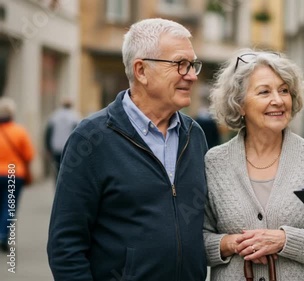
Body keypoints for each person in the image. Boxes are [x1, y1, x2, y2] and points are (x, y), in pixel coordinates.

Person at [47, 18, 208, 281]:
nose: (191, 75)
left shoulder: (194, 134)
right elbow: (65, 247)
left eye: (193, 65)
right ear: (141, 71)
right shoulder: (91, 139)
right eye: (181, 64)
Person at [203, 49, 304, 280]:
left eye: (284, 90)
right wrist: (229, 244)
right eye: (264, 92)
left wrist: (283, 240)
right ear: (240, 104)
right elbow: (193, 239)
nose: (278, 100)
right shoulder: (215, 162)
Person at [0, 97, 35, 252]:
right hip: (15, 173)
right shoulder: (19, 131)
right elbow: (29, 155)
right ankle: (2, 235)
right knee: (9, 206)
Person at [44, 97, 80, 180]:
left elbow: (48, 133)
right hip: (69, 148)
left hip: (56, 147)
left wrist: (48, 148)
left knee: (57, 170)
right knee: (67, 170)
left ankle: (57, 186)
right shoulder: (75, 116)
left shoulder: (54, 116)